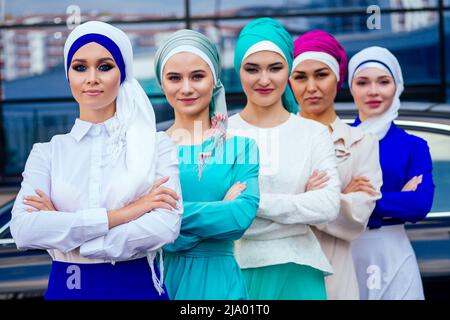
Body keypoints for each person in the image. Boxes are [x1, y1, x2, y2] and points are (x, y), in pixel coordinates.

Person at [10, 21, 183, 300]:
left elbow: (164, 228)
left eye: (104, 67)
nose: (92, 78)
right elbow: (24, 231)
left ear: (122, 73)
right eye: (80, 67)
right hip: (68, 291)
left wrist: (68, 234)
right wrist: (126, 213)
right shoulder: (47, 153)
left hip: (135, 289)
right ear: (68, 75)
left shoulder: (155, 146)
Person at [228, 17, 341, 300]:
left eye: (275, 68)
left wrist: (250, 202)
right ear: (238, 71)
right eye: (252, 69)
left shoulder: (313, 133)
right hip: (237, 272)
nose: (264, 80)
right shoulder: (221, 133)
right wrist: (299, 203)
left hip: (300, 270)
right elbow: (219, 216)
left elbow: (327, 206)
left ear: (288, 70)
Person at [153, 29, 260, 300]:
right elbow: (141, 224)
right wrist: (220, 209)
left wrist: (170, 220)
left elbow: (238, 220)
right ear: (161, 83)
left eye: (197, 76)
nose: (186, 88)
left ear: (214, 80)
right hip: (160, 283)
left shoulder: (241, 148)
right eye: (175, 78)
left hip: (220, 286)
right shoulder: (148, 149)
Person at [290, 30, 382, 299]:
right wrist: (334, 197)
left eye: (321, 75)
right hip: (280, 275)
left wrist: (296, 200)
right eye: (300, 77)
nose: (311, 87)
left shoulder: (362, 142)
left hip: (335, 278)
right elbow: (260, 209)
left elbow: (356, 219)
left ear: (338, 77)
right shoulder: (274, 137)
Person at [348, 46, 435, 300]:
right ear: (351, 87)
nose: (373, 91)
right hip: (346, 253)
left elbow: (419, 204)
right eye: (363, 82)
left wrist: (359, 199)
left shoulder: (414, 146)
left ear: (397, 85)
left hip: (394, 253)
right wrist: (395, 200)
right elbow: (327, 203)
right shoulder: (337, 141)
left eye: (383, 82)